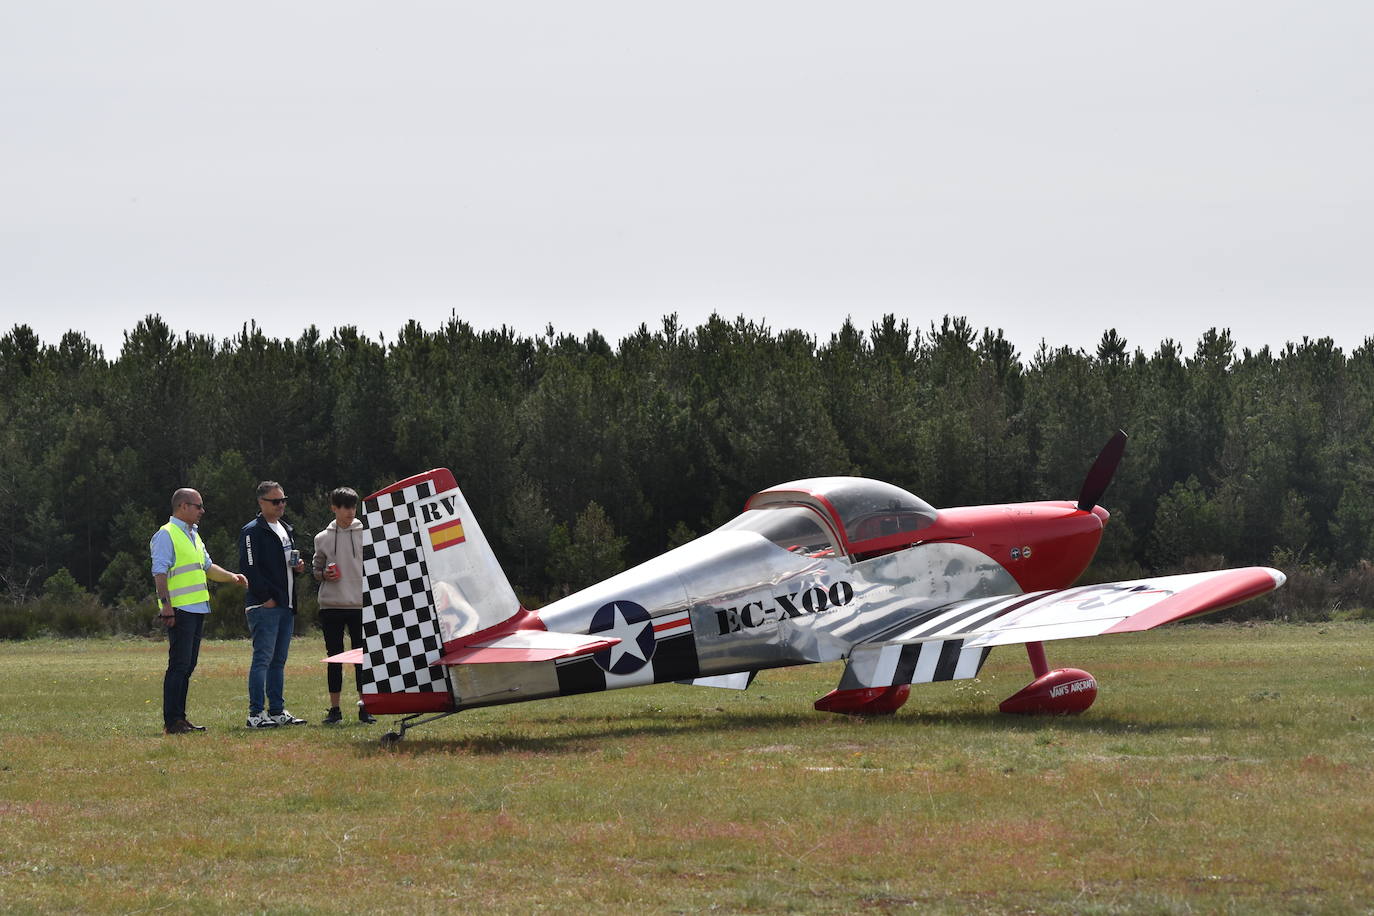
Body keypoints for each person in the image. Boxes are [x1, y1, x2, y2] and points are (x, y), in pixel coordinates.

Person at [150, 488, 247, 735]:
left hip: (196, 609)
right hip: (180, 610)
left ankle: (180, 719)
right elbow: (159, 572)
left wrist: (232, 577)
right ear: (183, 506)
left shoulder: (193, 535)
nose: (202, 511)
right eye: (198, 506)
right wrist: (166, 606)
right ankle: (172, 721)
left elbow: (207, 567)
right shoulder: (166, 535)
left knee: (188, 665)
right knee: (179, 665)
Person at [239, 480, 308, 728]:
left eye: (283, 500)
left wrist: (297, 568)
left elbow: (283, 564)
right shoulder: (252, 531)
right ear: (261, 502)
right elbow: (249, 568)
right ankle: (256, 714)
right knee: (262, 660)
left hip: (286, 605)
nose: (281, 505)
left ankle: (277, 711)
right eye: (275, 501)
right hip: (265, 606)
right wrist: (264, 598)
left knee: (278, 661)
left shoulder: (285, 528)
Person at [312, 486, 377, 724]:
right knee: (335, 657)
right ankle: (335, 709)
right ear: (334, 508)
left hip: (360, 605)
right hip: (331, 605)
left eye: (353, 507)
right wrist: (323, 575)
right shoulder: (322, 537)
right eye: (345, 507)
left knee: (363, 658)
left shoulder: (367, 533)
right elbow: (316, 569)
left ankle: (365, 707)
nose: (351, 512)